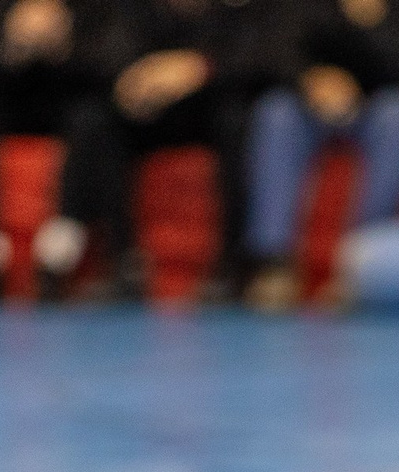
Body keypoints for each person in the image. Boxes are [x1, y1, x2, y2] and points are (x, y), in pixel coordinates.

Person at [64, 0, 275, 299]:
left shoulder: (232, 11)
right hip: (147, 116)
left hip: (209, 113)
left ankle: (232, 264)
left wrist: (200, 68)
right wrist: (133, 78)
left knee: (238, 121)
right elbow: (101, 59)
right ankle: (122, 261)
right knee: (95, 120)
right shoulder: (132, 11)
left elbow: (261, 64)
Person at [242, 0, 399, 311]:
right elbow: (274, 54)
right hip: (316, 104)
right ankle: (275, 264)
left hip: (385, 102)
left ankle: (363, 271)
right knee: (277, 112)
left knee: (398, 116)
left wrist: (368, 23)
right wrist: (311, 80)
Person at [0, 0, 106, 299]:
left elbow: (109, 67)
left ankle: (60, 248)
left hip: (67, 98)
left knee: (92, 118)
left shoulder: (91, 9)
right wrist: (12, 44)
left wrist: (61, 43)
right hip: (7, 100)